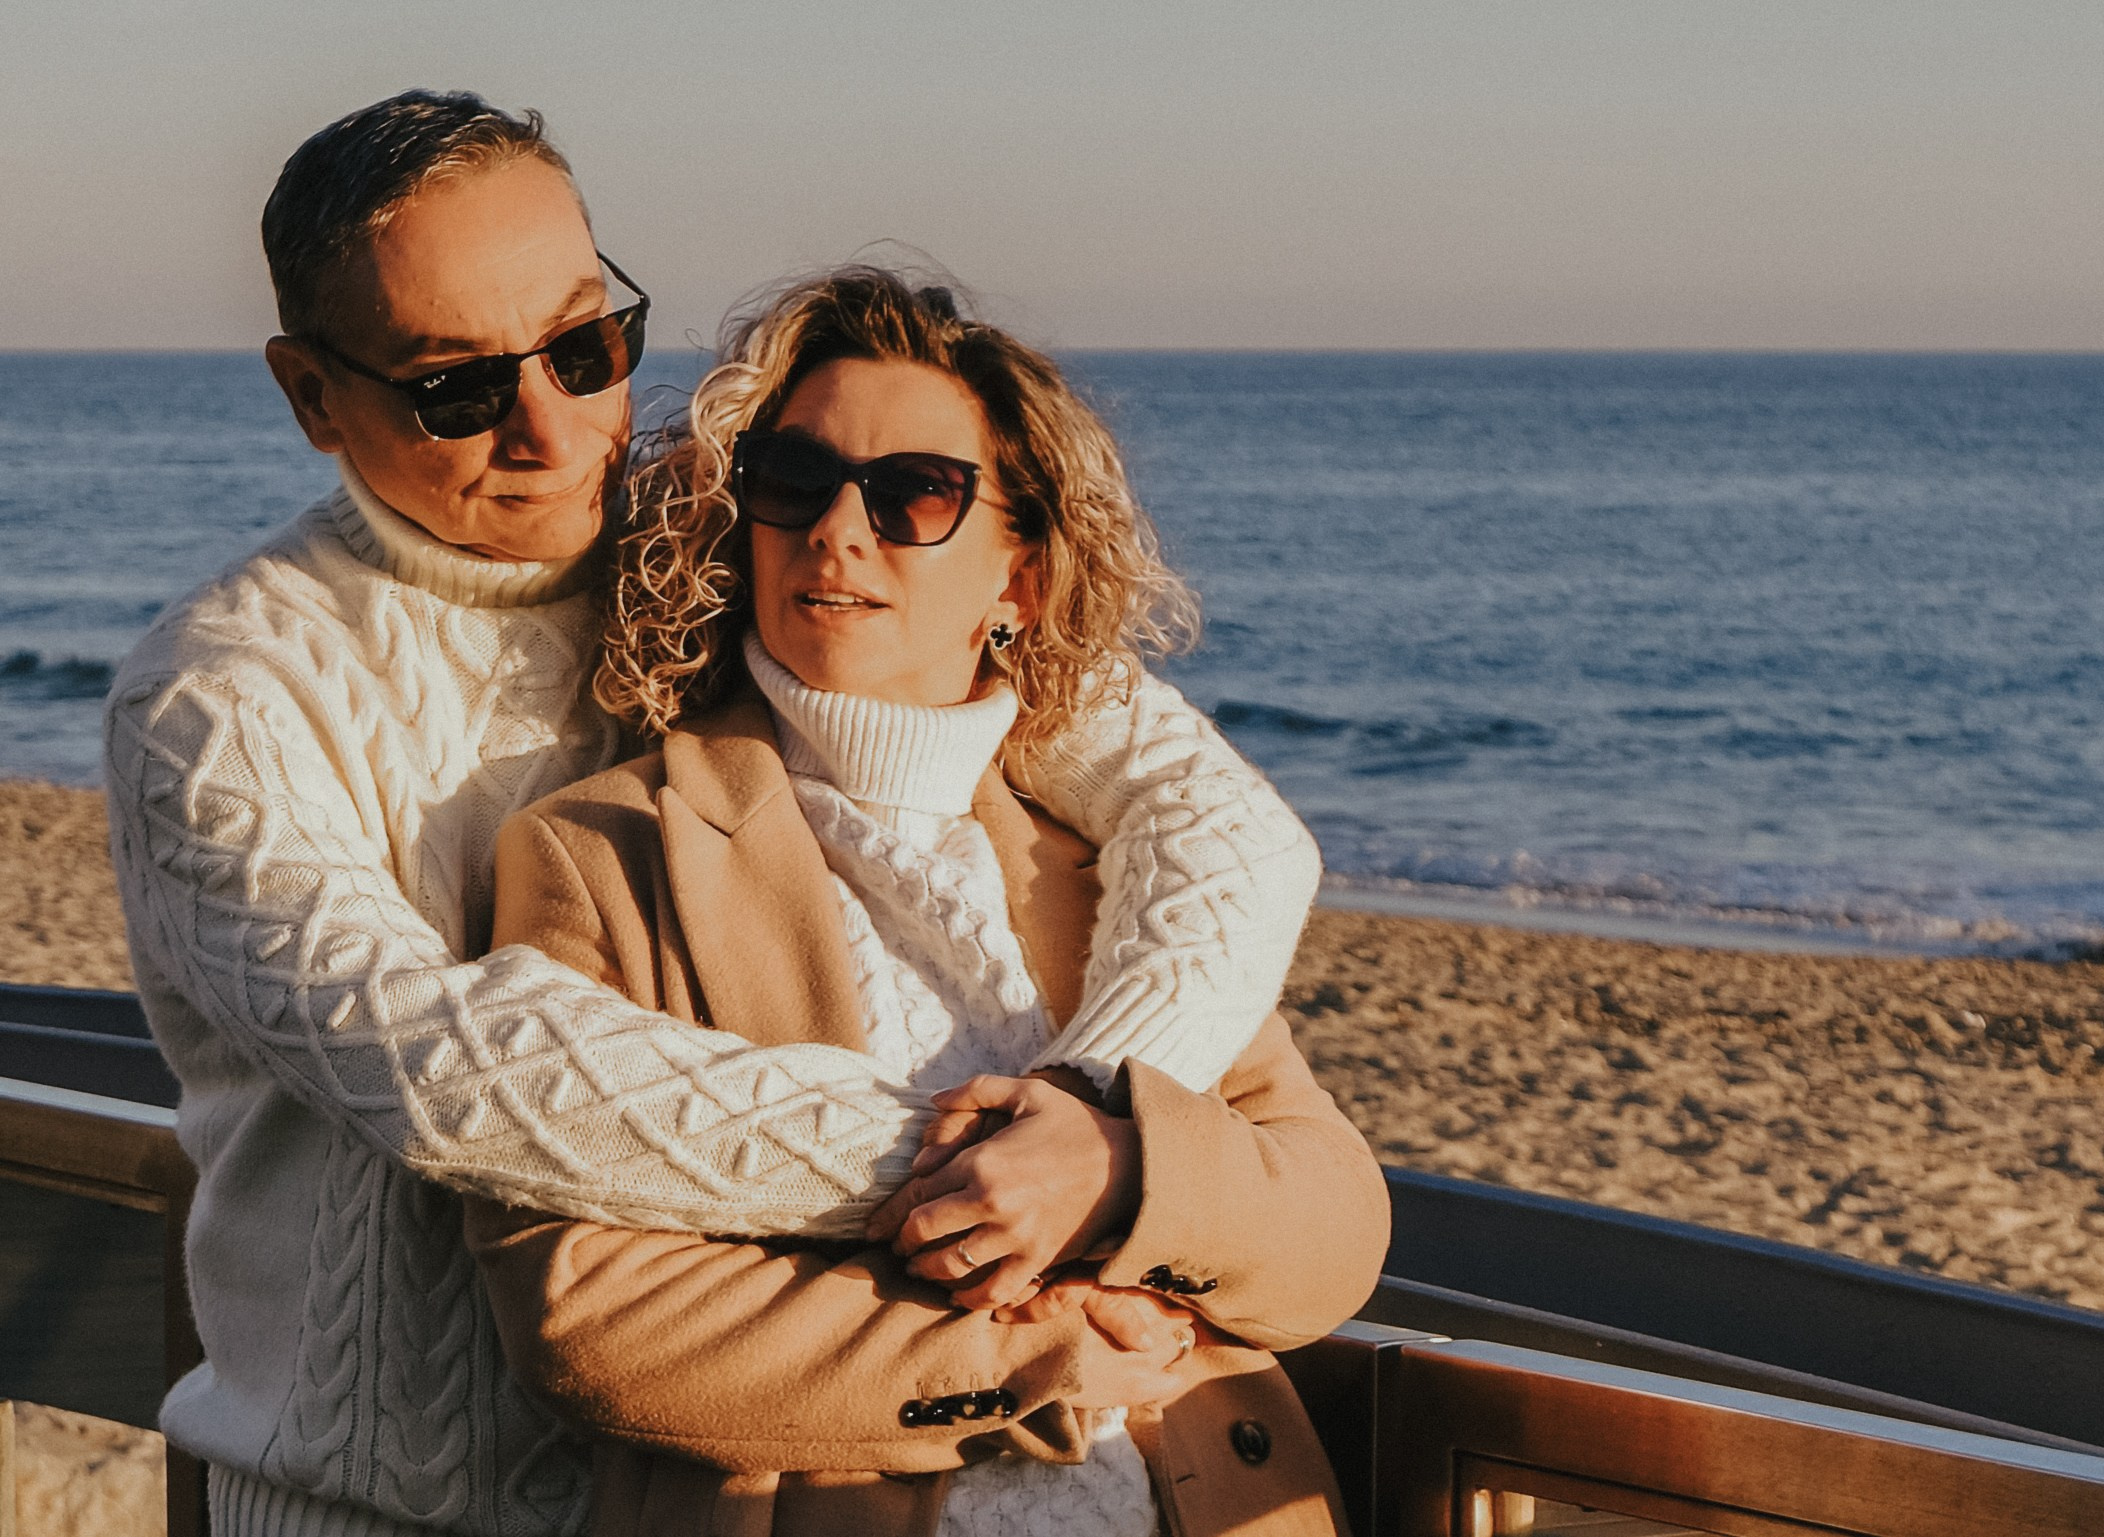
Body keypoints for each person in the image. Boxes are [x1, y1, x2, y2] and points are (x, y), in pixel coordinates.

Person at [103, 91, 1323, 1537]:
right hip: (362, 1510)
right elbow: (452, 1075)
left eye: (583, 345)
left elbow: (1216, 817)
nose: (554, 433)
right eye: (458, 390)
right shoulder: (221, 698)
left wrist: (1095, 1117)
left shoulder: (737, 537)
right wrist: (980, 1167)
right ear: (312, 395)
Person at [465, 267, 1388, 1536]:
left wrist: (1116, 1169)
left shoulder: (1124, 865)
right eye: (794, 482)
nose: (839, 530)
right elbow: (585, 1313)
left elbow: (1332, 1229)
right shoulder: (605, 851)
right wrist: (1028, 1365)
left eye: (914, 493)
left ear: (1020, 572)